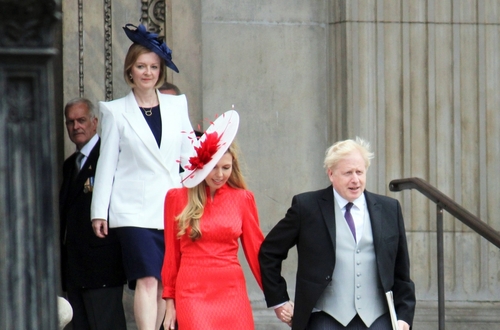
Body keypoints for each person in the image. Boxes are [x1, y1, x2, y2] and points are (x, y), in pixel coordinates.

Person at [91, 24, 196, 330]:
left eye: (153, 67)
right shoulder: (114, 111)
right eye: (141, 66)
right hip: (133, 210)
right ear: (130, 70)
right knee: (147, 277)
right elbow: (106, 164)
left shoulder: (178, 105)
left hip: (172, 207)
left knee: (167, 280)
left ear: (160, 71)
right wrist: (99, 211)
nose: (147, 73)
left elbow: (190, 156)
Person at [259, 137, 416, 330]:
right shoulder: (307, 207)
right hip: (324, 319)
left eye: (359, 172)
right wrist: (280, 300)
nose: (355, 180)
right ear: (331, 174)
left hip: (378, 319)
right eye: (348, 173)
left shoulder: (389, 209)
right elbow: (269, 252)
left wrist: (404, 316)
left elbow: (401, 271)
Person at [161, 110, 264, 330]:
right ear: (201, 167)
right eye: (213, 168)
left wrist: (277, 297)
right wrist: (170, 302)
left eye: (226, 168)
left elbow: (257, 253)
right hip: (192, 293)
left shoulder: (243, 199)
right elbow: (172, 254)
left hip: (231, 291)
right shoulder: (176, 198)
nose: (219, 174)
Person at [59, 98, 126, 330]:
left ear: (95, 122)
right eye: (70, 122)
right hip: (76, 269)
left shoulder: (110, 155)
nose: (76, 126)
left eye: (82, 120)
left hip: (103, 266)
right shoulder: (70, 165)